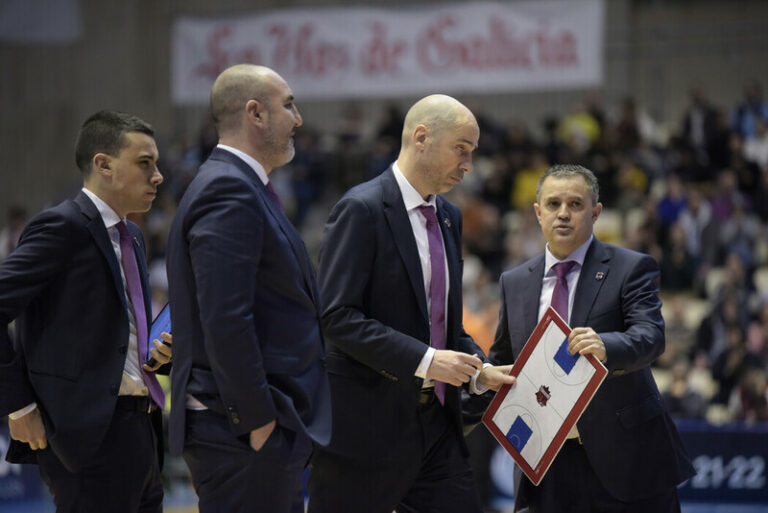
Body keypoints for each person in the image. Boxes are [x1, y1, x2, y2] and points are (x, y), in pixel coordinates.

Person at [308, 94, 514, 513]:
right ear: (422, 137)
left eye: (472, 153)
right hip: (366, 427)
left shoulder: (451, 217)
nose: (469, 165)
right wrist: (426, 360)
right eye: (462, 149)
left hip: (438, 424)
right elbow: (337, 317)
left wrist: (479, 371)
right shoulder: (361, 209)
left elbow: (445, 328)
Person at [165, 64, 331, 513]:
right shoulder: (227, 189)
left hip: (249, 430)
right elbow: (225, 318)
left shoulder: (240, 185)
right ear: (255, 114)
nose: (298, 118)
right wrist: (257, 423)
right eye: (289, 105)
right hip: (240, 432)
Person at [488, 164, 695, 512]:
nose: (563, 214)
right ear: (538, 213)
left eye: (576, 204)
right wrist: (477, 382)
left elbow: (651, 336)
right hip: (547, 465)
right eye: (553, 204)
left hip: (627, 460)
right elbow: (502, 360)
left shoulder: (631, 267)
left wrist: (607, 345)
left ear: (596, 212)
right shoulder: (515, 281)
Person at [0, 110, 172, 512]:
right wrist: (18, 405)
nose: (158, 175)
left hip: (142, 427)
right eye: (145, 163)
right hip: (88, 436)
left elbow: (116, 336)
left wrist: (156, 354)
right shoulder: (62, 226)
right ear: (104, 165)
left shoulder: (132, 235)